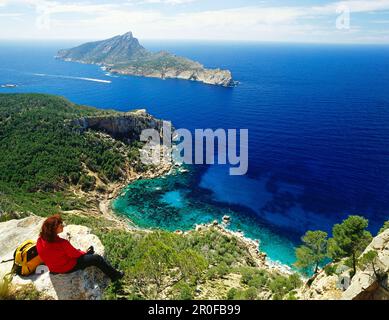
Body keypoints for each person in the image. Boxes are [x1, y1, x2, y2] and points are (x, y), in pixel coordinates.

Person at [36, 214, 124, 281]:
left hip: (53, 268)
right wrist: (85, 252)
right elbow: (75, 255)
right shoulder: (62, 243)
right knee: (96, 258)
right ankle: (115, 276)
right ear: (54, 229)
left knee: (84, 254)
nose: (62, 225)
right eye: (60, 225)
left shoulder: (40, 240)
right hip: (66, 267)